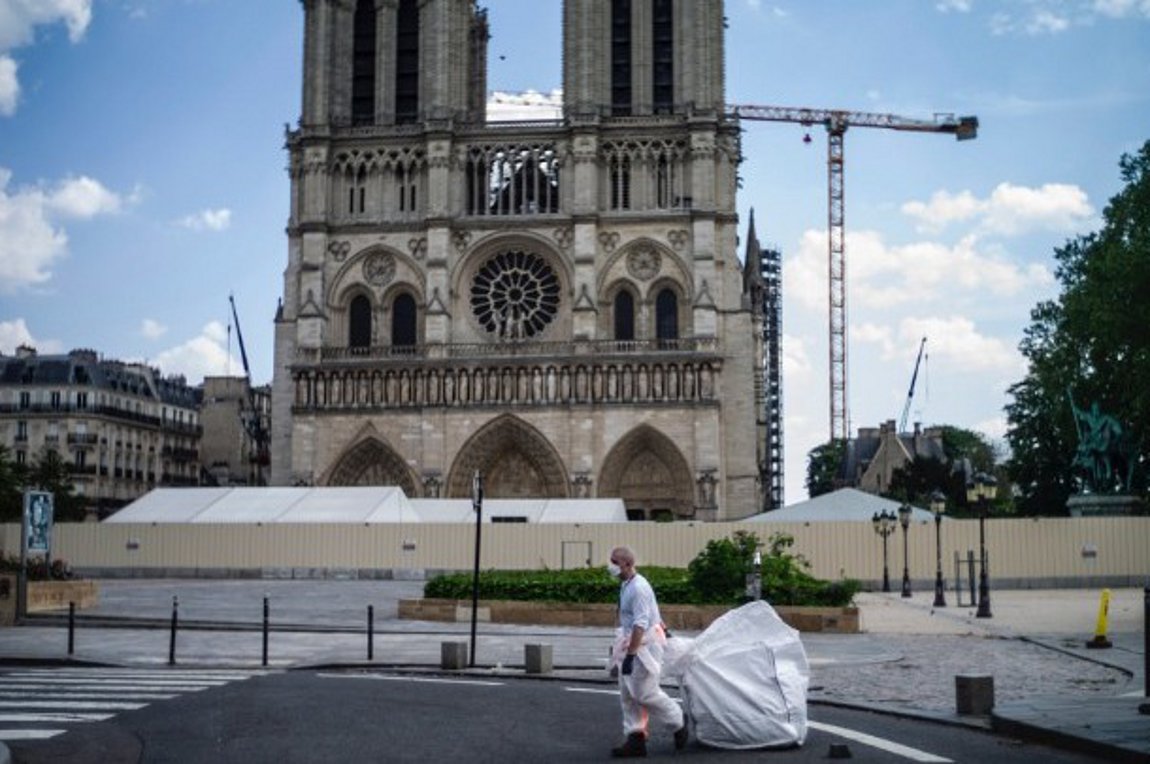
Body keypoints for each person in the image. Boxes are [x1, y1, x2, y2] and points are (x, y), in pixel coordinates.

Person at [608, 545, 688, 758]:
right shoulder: (627, 584)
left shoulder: (639, 588)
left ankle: (678, 720)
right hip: (631, 644)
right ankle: (636, 737)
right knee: (627, 694)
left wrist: (631, 655)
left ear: (627, 563)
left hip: (643, 648)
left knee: (644, 693)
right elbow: (651, 613)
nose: (610, 565)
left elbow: (640, 623)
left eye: (614, 561)